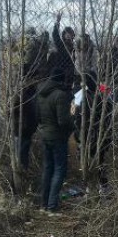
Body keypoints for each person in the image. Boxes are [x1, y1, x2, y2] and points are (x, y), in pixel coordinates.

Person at [10, 28, 49, 170]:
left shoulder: (21, 42)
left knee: (19, 142)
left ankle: (20, 168)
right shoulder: (34, 44)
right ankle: (22, 168)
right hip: (30, 78)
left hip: (22, 78)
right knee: (23, 141)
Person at [37, 67, 74, 213]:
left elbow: (38, 116)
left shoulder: (41, 93)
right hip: (58, 137)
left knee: (47, 169)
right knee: (59, 170)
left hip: (45, 135)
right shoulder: (60, 95)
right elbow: (63, 121)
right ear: (61, 79)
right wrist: (73, 116)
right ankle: (52, 206)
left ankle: (43, 204)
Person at [73, 70, 113, 188]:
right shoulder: (101, 94)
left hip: (85, 135)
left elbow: (73, 113)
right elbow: (108, 115)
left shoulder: (81, 95)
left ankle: (88, 186)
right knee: (99, 160)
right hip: (97, 135)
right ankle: (101, 185)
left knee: (87, 160)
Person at [48, 13, 76, 90]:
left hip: (69, 75)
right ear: (64, 35)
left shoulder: (74, 48)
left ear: (73, 35)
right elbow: (55, 35)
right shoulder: (61, 45)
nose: (68, 35)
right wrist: (57, 22)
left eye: (70, 33)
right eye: (67, 33)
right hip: (59, 73)